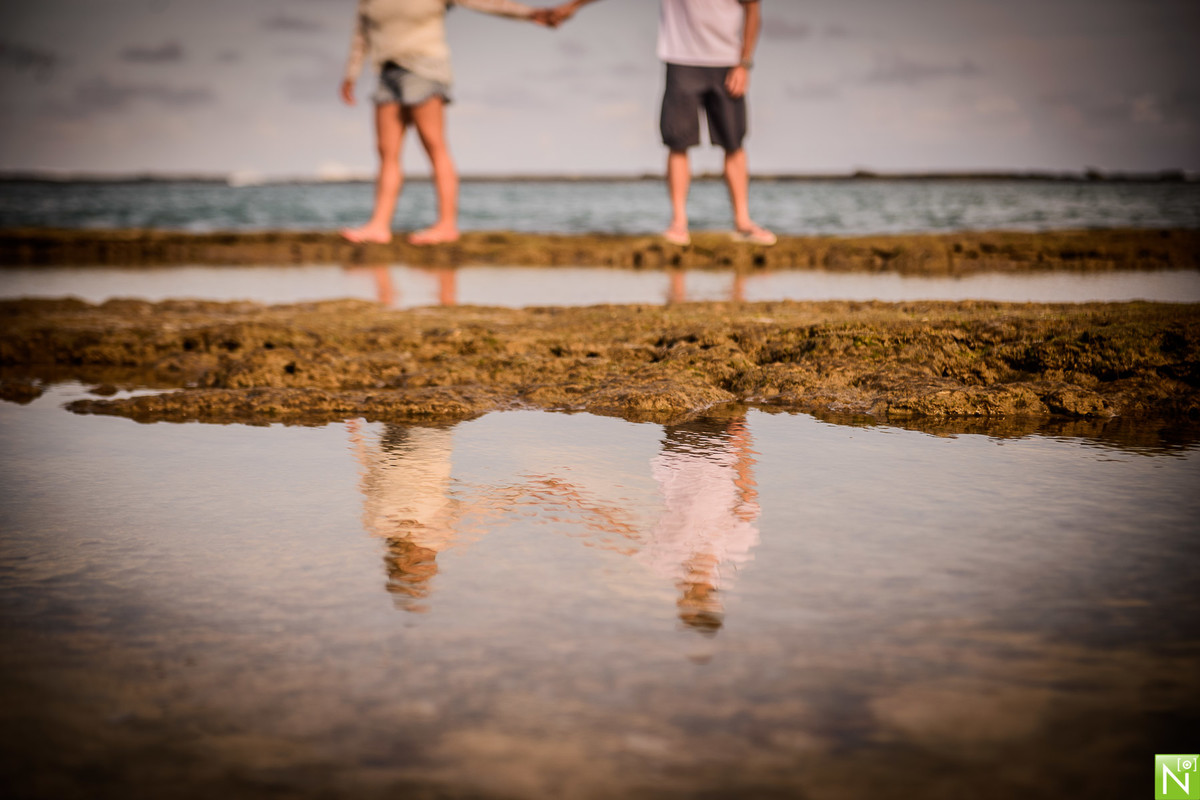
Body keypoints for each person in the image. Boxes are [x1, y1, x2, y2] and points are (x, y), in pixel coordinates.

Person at [550, 0, 776, 246]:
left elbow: (753, 8)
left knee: (734, 142)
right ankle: (678, 223)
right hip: (681, 59)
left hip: (728, 61)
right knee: (677, 141)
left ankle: (743, 223)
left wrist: (744, 63)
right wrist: (571, 7)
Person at [340, 0, 557, 246]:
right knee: (385, 151)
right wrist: (351, 73)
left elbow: (487, 3)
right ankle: (379, 225)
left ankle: (446, 225)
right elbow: (361, 34)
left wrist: (531, 14)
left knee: (434, 145)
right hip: (386, 70)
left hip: (426, 66)